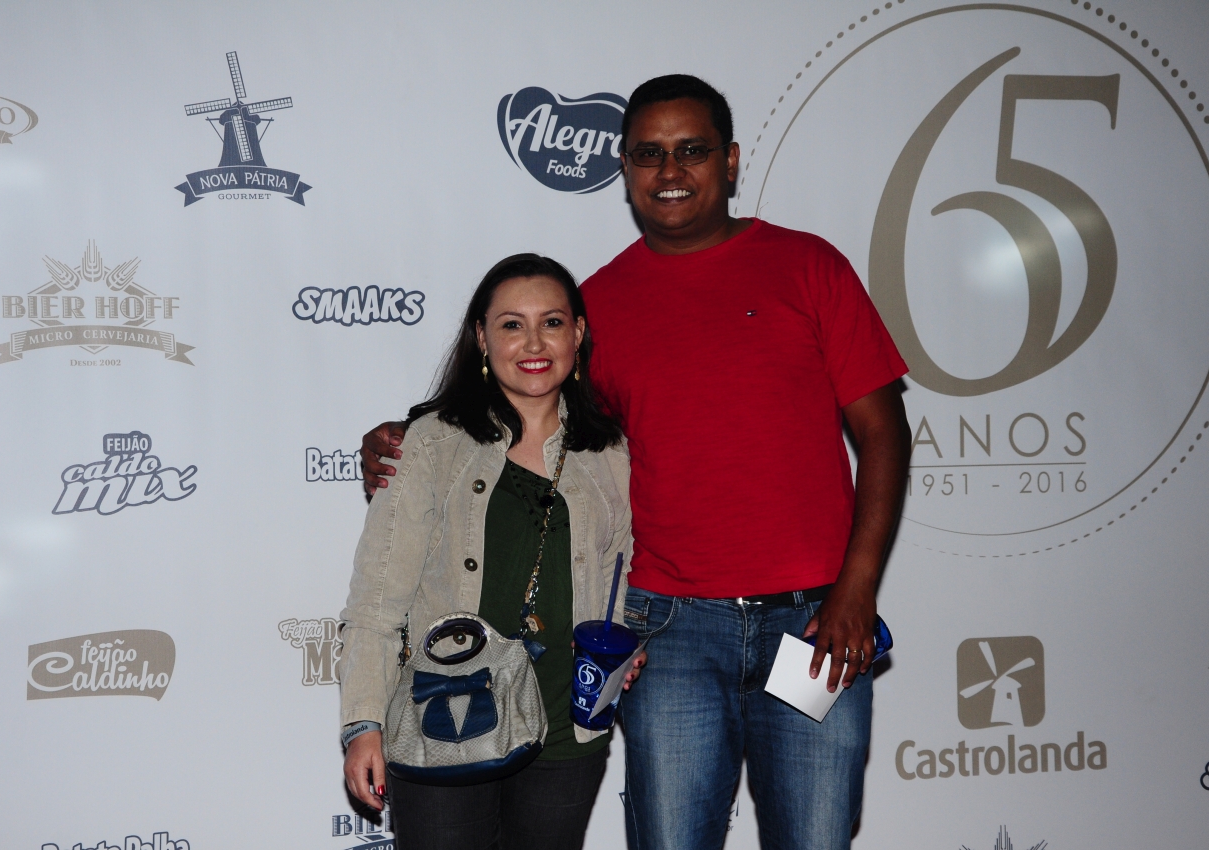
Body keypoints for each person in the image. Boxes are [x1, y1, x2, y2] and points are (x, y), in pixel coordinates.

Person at [363, 76, 911, 850]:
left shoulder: (810, 267)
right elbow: (523, 403)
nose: (670, 170)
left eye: (692, 150)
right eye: (648, 154)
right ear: (624, 168)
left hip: (815, 622)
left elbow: (885, 435)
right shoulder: (598, 306)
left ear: (730, 160)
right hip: (667, 630)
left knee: (816, 839)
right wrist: (406, 433)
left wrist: (857, 588)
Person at [340, 253, 643, 850]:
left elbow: (625, 572)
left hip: (567, 729)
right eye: (511, 324)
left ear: (578, 333)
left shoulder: (610, 452)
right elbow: (376, 600)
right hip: (443, 718)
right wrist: (363, 723)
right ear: (481, 337)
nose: (533, 343)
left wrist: (626, 642)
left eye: (551, 322)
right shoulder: (430, 445)